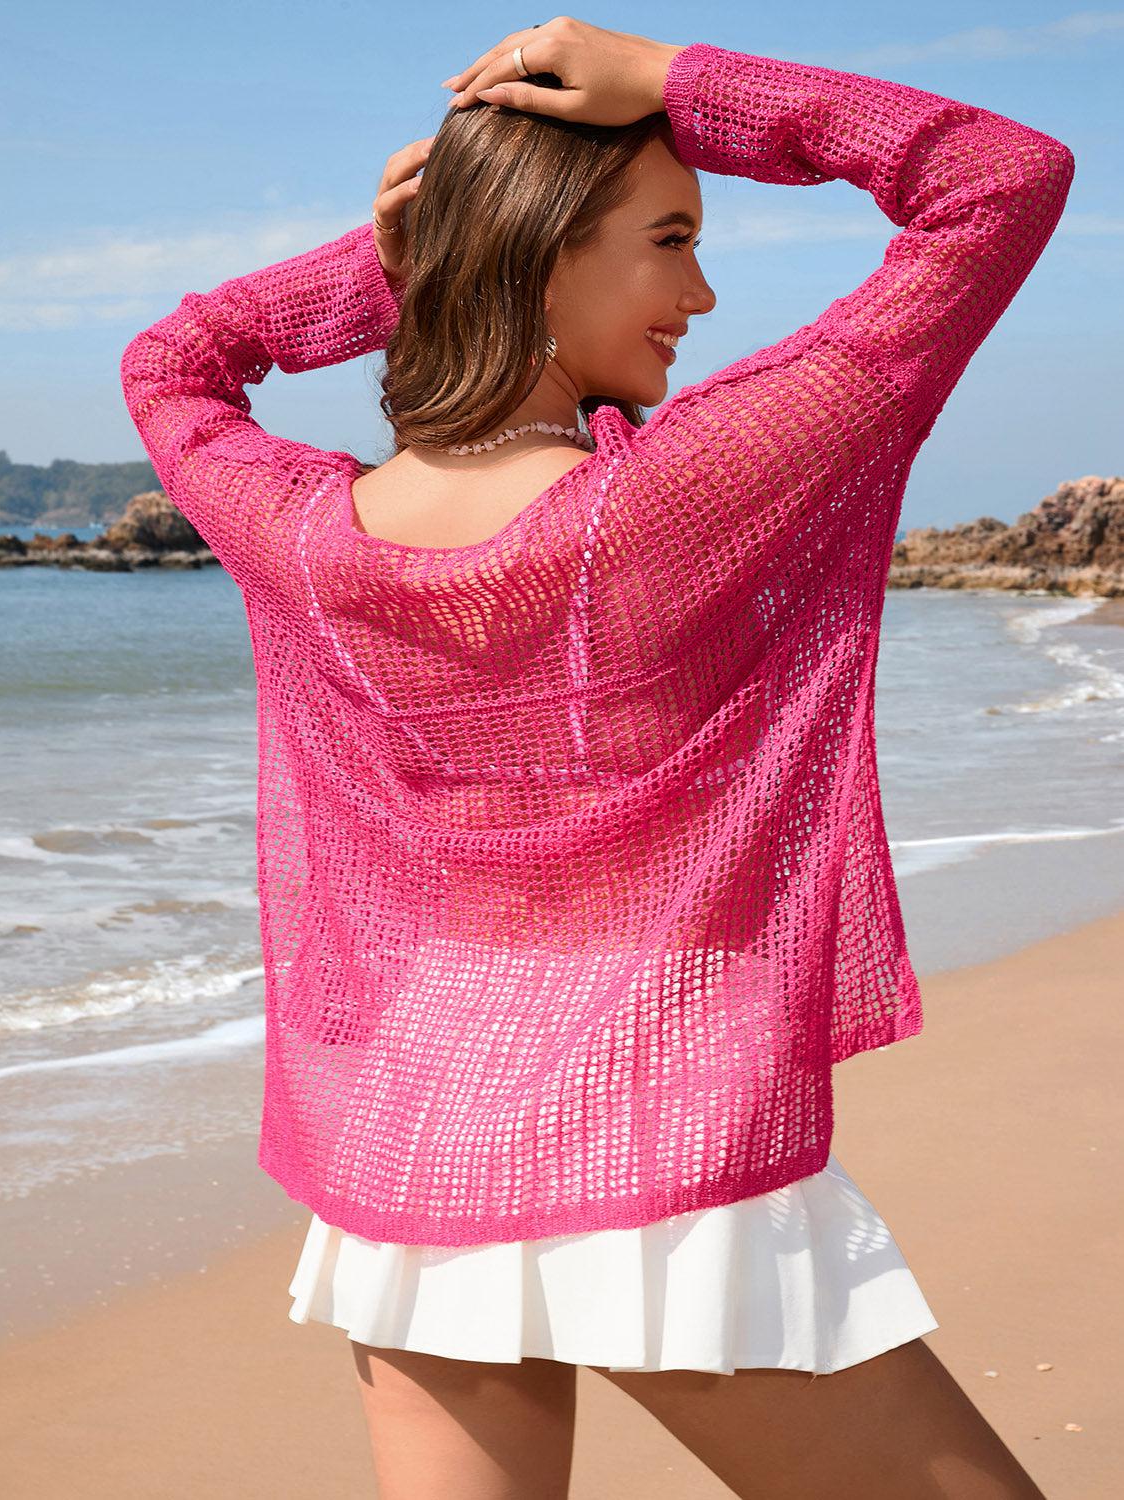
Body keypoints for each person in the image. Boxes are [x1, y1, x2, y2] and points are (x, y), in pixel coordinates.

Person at [120, 17, 1072, 1499]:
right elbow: (994, 180)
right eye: (669, 238)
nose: (699, 292)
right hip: (655, 1126)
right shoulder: (683, 494)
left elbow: (177, 366)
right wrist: (681, 86)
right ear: (538, 246)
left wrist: (389, 264)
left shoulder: (301, 535)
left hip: (411, 1134)